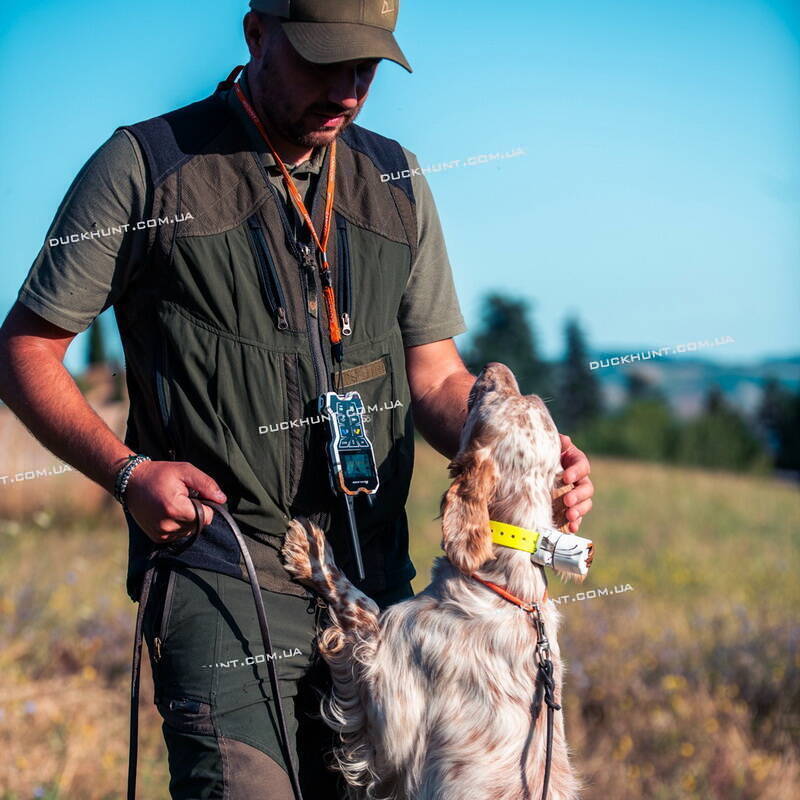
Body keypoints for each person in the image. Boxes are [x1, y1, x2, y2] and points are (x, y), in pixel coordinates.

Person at [0, 1, 595, 797]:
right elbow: (25, 350)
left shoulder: (397, 180)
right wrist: (127, 472)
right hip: (224, 577)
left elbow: (436, 377)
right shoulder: (146, 165)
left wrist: (525, 465)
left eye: (366, 68)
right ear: (256, 34)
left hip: (381, 593)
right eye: (323, 61)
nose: (347, 90)